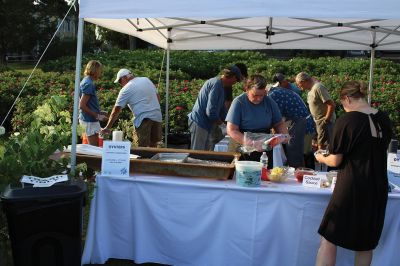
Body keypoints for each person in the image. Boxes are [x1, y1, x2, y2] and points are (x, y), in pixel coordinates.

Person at [314, 81, 393, 266]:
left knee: (329, 237)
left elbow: (335, 160)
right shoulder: (384, 118)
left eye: (343, 105)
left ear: (347, 99)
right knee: (366, 244)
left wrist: (320, 158)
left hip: (351, 185)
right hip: (378, 185)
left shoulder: (347, 120)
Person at [226, 74, 288, 168]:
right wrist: (252, 143)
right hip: (242, 145)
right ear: (247, 89)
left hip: (264, 146)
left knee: (264, 176)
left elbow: (279, 123)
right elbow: (231, 130)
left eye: (262, 95)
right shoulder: (239, 102)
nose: (259, 99)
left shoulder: (269, 102)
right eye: (255, 95)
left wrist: (284, 135)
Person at [100, 69, 162, 147]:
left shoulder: (126, 89)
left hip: (143, 119)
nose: (120, 84)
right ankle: (153, 159)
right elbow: (158, 98)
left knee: (141, 148)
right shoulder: (146, 80)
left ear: (124, 78)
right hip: (157, 116)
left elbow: (116, 110)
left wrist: (108, 127)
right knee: (153, 144)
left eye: (119, 81)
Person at [188, 65, 242, 150]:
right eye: (237, 80)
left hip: (204, 124)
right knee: (197, 153)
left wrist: (229, 123)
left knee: (204, 153)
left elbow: (222, 109)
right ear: (233, 76)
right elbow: (211, 112)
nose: (236, 82)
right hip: (199, 122)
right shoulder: (216, 84)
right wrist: (222, 125)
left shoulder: (221, 85)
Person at [268, 81, 310, 168]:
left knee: (293, 149)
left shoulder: (272, 96)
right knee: (294, 148)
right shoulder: (276, 91)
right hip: (298, 119)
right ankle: (296, 170)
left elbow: (277, 119)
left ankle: (297, 174)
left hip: (298, 120)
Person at [295, 72, 336, 150]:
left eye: (298, 84)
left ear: (303, 82)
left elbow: (331, 105)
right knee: (320, 145)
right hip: (319, 122)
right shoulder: (311, 90)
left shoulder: (318, 88)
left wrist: (326, 120)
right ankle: (323, 161)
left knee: (323, 146)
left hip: (325, 122)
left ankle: (326, 161)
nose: (298, 86)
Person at [79, 60, 108, 146]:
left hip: (89, 119)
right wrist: (97, 115)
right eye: (100, 71)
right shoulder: (88, 84)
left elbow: (87, 104)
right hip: (89, 120)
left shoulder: (86, 81)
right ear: (95, 70)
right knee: (94, 149)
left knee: (92, 148)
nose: (100, 73)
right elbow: (82, 105)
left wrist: (99, 112)